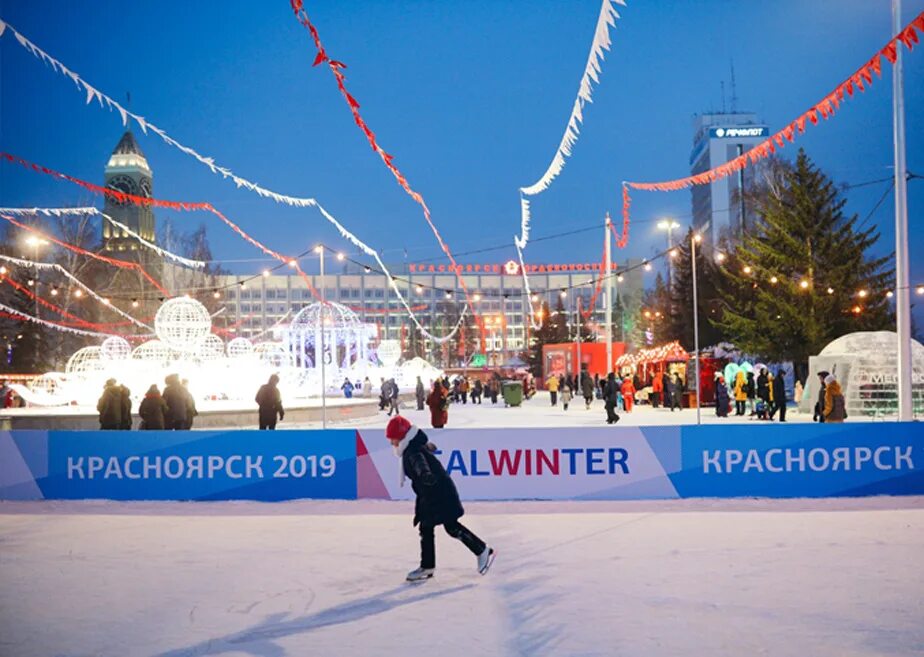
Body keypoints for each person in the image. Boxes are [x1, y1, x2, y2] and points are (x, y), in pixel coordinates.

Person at [385, 416, 494, 582]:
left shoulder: (413, 452)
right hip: (433, 493)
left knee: (450, 527)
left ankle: (482, 550)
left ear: (401, 437)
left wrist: (425, 475)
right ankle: (428, 565)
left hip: (438, 493)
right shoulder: (414, 446)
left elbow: (421, 465)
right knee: (427, 527)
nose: (391, 442)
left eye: (393, 438)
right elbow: (424, 453)